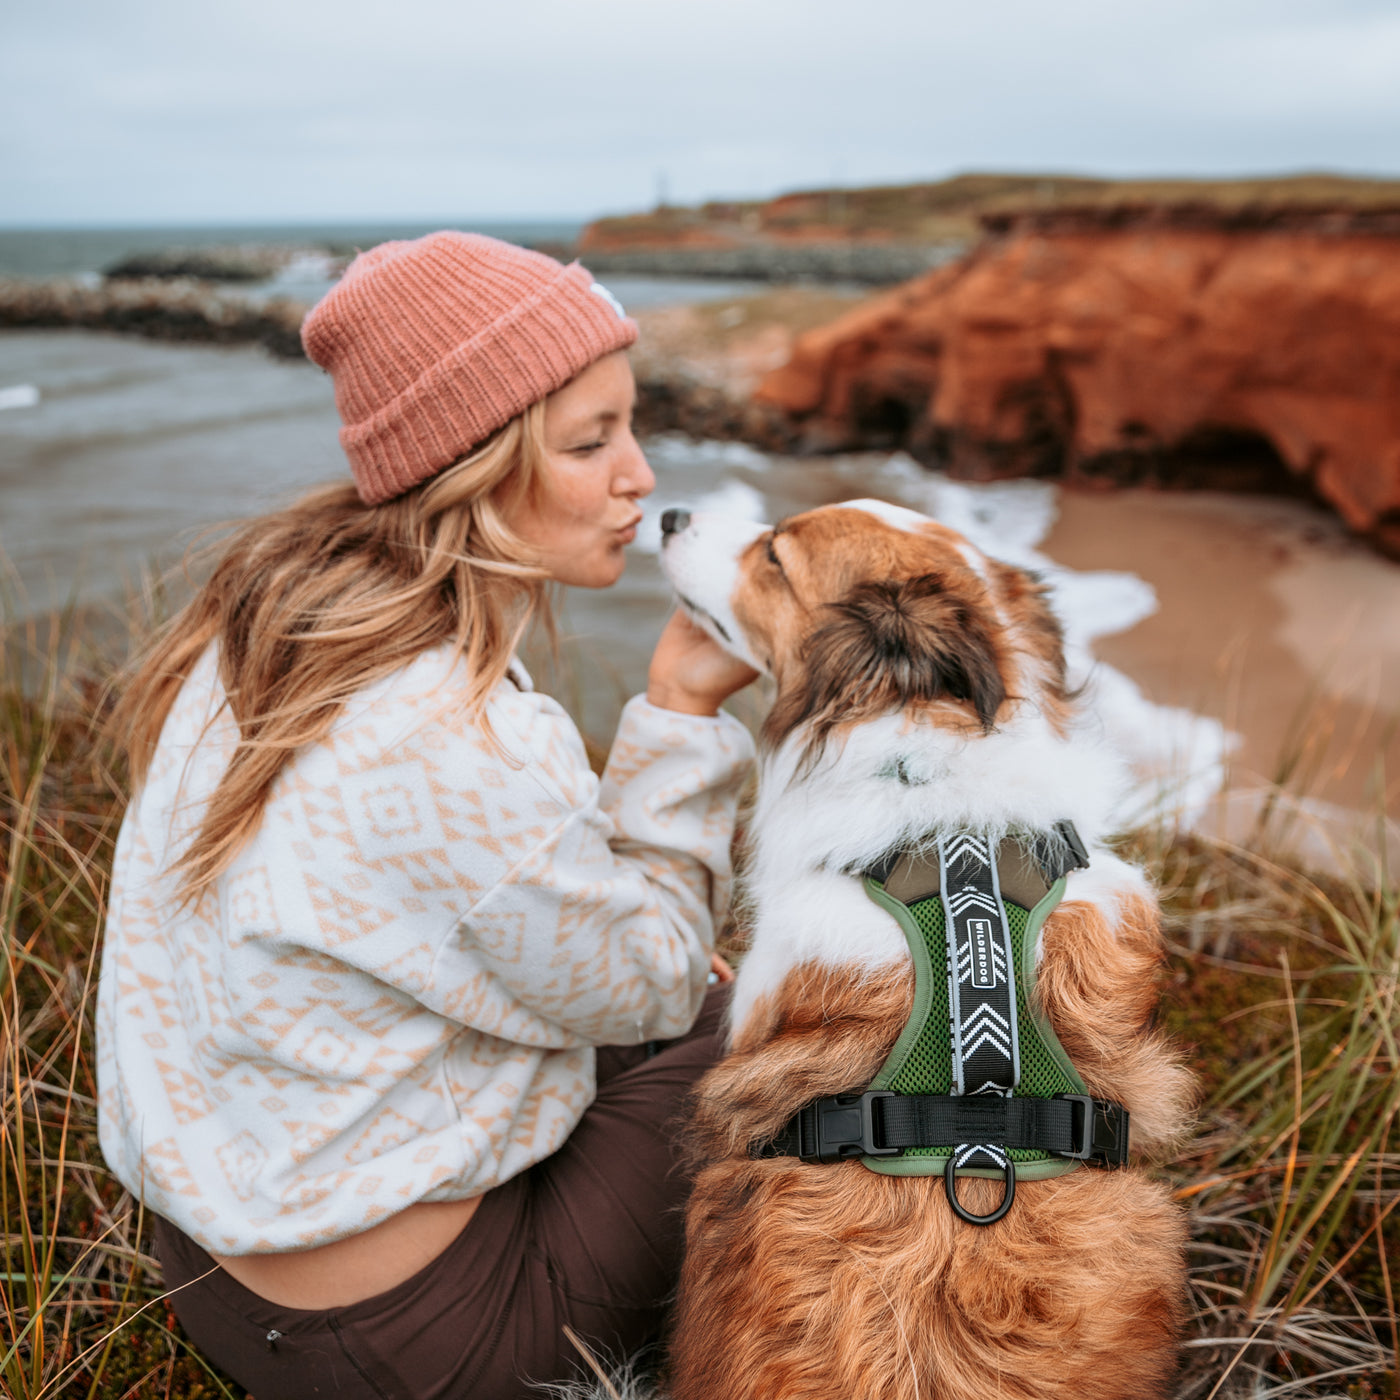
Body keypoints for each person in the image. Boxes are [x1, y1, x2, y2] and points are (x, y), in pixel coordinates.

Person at [95, 232, 758, 1400]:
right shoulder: (453, 730)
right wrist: (681, 711)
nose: (640, 476)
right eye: (590, 441)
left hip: (215, 1264)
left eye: (630, 425)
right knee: (767, 1025)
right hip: (413, 1339)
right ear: (471, 461)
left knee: (679, 985)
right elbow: (650, 980)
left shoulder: (272, 628)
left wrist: (641, 954)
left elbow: (464, 913)